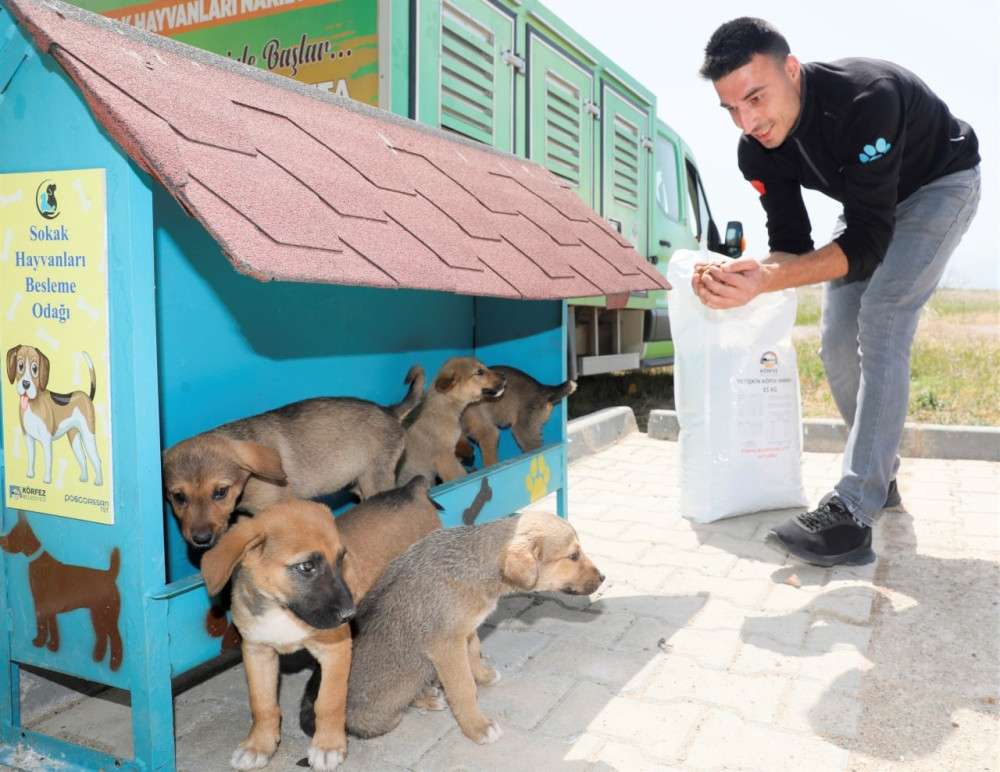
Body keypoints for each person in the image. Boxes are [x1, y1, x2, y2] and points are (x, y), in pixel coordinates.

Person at [694, 18, 981, 567]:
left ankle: (852, 513)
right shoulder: (755, 150)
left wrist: (773, 279)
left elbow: (869, 242)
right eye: (732, 108)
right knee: (834, 340)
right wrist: (742, 277)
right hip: (870, 204)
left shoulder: (867, 99)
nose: (748, 120)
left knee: (882, 317)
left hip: (941, 185)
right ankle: (880, 473)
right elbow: (790, 247)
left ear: (792, 71)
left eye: (756, 97)